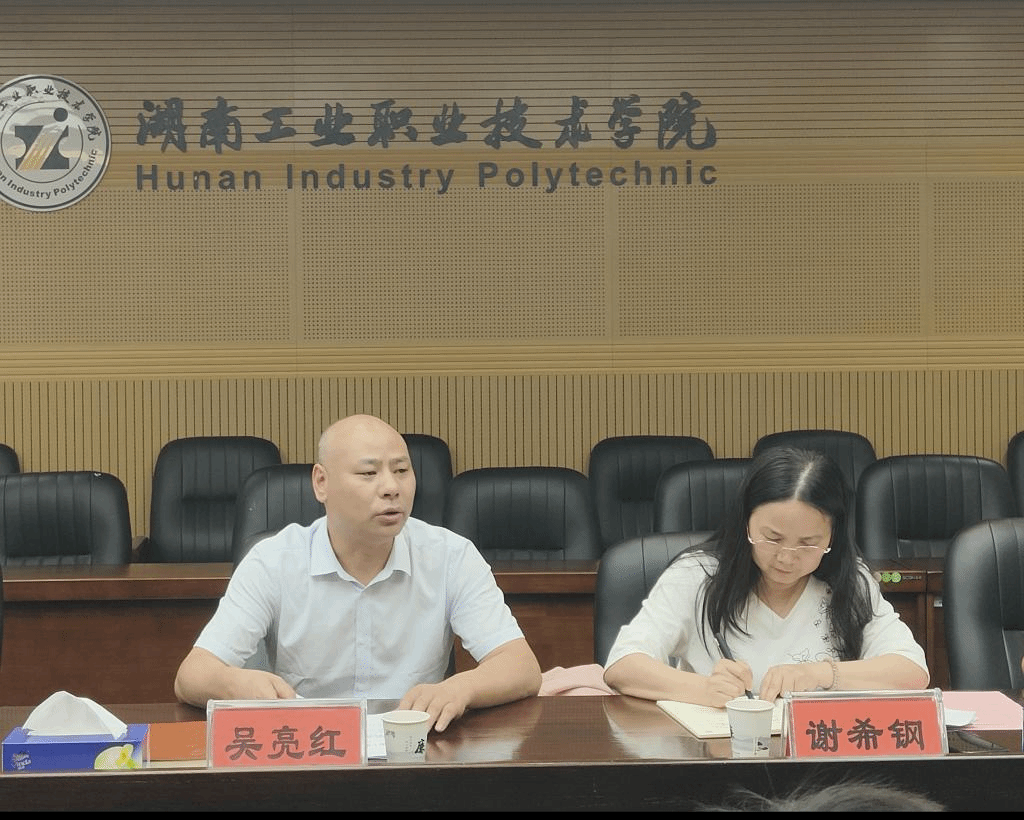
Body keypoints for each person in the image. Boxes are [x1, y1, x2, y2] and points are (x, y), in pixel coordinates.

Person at [174, 413, 542, 731]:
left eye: (402, 471)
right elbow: (192, 675)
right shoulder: (273, 561)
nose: (391, 488)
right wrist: (236, 684)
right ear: (322, 483)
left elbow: (521, 667)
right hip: (309, 749)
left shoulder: (450, 557)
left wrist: (460, 688)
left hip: (414, 750)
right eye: (369, 473)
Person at [603, 446, 929, 706]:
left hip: (818, 759)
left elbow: (913, 671)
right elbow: (622, 665)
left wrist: (821, 674)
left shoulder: (851, 582)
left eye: (808, 543)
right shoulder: (696, 576)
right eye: (772, 538)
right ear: (746, 521)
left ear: (834, 536)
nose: (786, 557)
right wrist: (703, 689)